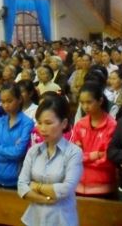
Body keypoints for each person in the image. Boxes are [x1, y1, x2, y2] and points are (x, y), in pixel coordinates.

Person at [17, 94, 83, 226]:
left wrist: (36, 186)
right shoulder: (33, 151)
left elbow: (66, 189)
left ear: (64, 123)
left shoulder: (74, 152)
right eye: (39, 122)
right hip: (34, 219)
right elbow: (22, 186)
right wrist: (47, 199)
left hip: (61, 219)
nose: (42, 128)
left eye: (48, 123)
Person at [70, 82, 117, 196]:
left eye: (89, 102)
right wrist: (94, 155)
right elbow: (73, 155)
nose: (85, 106)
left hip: (103, 186)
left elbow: (108, 159)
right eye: (82, 103)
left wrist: (83, 158)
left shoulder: (112, 126)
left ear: (100, 101)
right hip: (78, 184)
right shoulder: (80, 124)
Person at [0, 84, 34, 188]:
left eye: (9, 101)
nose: (6, 105)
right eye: (3, 102)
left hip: (17, 180)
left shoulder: (27, 123)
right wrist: (12, 154)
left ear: (19, 99)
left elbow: (19, 152)